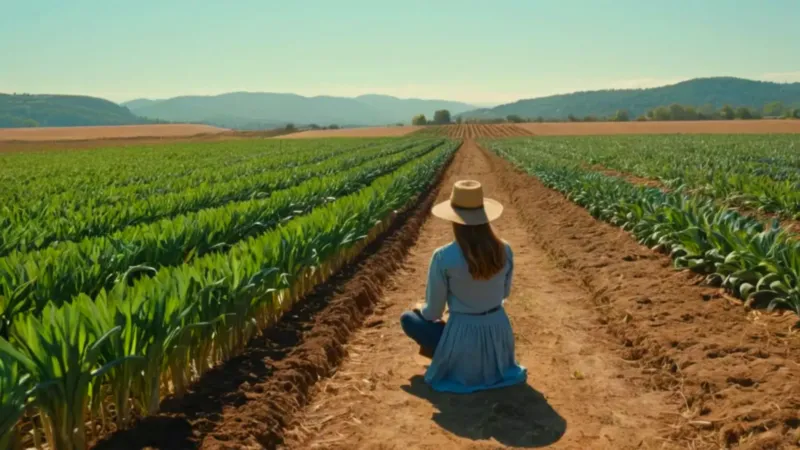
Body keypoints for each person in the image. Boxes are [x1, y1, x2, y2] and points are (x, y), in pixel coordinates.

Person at [400, 180, 527, 393]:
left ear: (454, 219)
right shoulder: (504, 250)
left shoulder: (443, 256)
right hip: (498, 331)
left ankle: (451, 359)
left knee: (409, 318)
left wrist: (420, 308)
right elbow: (504, 294)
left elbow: (433, 313)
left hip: (463, 334)